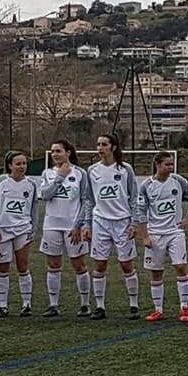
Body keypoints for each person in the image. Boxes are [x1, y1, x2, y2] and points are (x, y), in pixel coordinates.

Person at [134, 150, 188, 323]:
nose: (171, 167)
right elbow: (140, 212)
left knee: (180, 267)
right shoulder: (146, 185)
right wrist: (145, 235)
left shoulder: (177, 180)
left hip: (175, 232)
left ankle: (184, 308)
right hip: (155, 234)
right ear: (158, 164)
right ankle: (158, 310)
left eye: (172, 164)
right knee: (156, 272)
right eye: (167, 164)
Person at [83, 134, 142, 320]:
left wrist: (134, 222)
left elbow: (134, 197)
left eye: (104, 144)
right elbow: (89, 200)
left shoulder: (125, 169)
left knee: (126, 264)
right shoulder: (92, 170)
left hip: (123, 222)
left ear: (113, 147)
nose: (100, 148)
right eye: (98, 144)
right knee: (100, 264)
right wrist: (86, 224)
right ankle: (99, 306)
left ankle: (134, 305)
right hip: (100, 221)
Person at [36, 139, 88, 318]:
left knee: (79, 265)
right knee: (53, 265)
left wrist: (78, 225)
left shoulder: (80, 173)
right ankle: (53, 305)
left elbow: (85, 201)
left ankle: (85, 304)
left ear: (68, 152)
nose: (54, 154)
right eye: (53, 151)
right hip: (51, 225)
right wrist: (60, 178)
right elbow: (45, 195)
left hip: (73, 227)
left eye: (58, 151)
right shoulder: (47, 173)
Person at [0, 151, 39, 317]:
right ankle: (3, 305)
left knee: (23, 267)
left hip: (23, 229)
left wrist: (33, 229)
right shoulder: (0, 182)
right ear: (10, 165)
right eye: (18, 164)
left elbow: (34, 209)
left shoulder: (31, 184)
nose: (22, 167)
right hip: (3, 230)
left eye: (24, 163)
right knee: (3, 268)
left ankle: (26, 304)